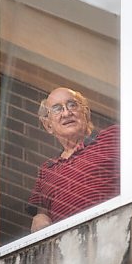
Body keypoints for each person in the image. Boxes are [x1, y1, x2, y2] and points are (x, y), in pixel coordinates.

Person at [27, 87, 120, 232]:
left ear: (85, 113)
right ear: (48, 125)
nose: (66, 113)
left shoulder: (112, 137)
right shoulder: (47, 171)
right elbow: (41, 218)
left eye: (72, 105)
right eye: (57, 109)